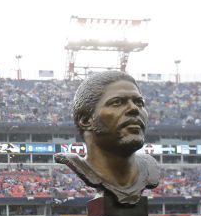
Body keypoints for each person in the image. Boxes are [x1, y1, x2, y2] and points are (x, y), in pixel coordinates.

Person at [55, 70, 160, 205]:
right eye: (117, 102)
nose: (134, 109)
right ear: (86, 120)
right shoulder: (78, 165)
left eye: (139, 102)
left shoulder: (149, 168)